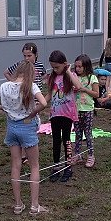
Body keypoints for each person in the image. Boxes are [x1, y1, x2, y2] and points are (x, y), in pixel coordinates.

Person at [0, 61, 48, 215]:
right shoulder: (31, 86)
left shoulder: (5, 86)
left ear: (17, 72)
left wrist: (2, 108)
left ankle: (18, 205)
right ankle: (34, 206)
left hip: (12, 128)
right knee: (34, 166)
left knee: (15, 166)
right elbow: (44, 103)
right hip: (27, 127)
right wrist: (33, 112)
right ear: (30, 73)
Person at [4, 42, 47, 163]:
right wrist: (14, 83)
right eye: (25, 56)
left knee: (33, 123)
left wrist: (40, 84)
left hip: (36, 101)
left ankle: (30, 147)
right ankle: (23, 152)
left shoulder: (39, 66)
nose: (27, 58)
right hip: (24, 101)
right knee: (24, 123)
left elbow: (45, 75)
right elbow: (6, 72)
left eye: (29, 55)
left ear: (36, 55)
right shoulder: (21, 65)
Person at [45, 50, 82, 183]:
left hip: (67, 114)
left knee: (66, 140)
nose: (55, 70)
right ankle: (56, 167)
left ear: (64, 64)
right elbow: (49, 95)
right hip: (55, 114)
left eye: (57, 67)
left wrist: (68, 71)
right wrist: (41, 104)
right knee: (56, 141)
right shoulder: (52, 77)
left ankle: (68, 167)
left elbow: (78, 86)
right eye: (53, 67)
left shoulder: (70, 76)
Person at [72, 55, 99, 168]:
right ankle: (77, 154)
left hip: (87, 110)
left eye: (80, 66)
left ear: (86, 66)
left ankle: (91, 155)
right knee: (78, 133)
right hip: (76, 110)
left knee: (88, 134)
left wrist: (84, 89)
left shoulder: (92, 78)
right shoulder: (74, 78)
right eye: (76, 66)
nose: (77, 69)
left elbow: (96, 94)